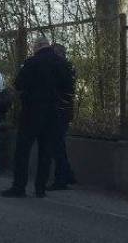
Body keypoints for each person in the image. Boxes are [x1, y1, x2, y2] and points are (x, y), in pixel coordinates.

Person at [1, 36, 71, 198]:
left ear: (37, 46)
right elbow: (68, 87)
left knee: (23, 150)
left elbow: (19, 84)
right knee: (45, 150)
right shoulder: (61, 63)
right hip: (53, 112)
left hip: (31, 111)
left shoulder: (32, 62)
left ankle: (19, 187)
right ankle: (40, 188)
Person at [47, 43, 77, 190]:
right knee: (59, 144)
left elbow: (54, 88)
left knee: (56, 145)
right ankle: (67, 174)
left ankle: (62, 178)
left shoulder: (59, 68)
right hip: (66, 109)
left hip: (58, 109)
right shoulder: (70, 67)